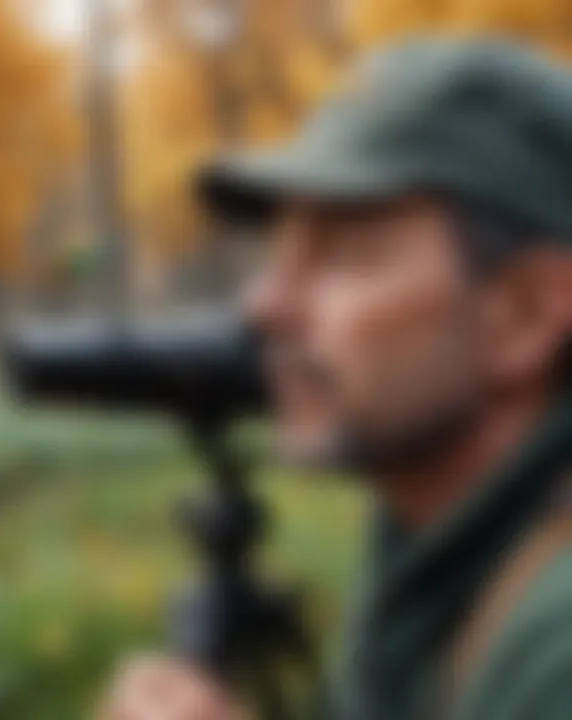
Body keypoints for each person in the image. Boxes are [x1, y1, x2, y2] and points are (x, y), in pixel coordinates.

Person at [98, 38, 572, 720]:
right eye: (278, 251)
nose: (263, 304)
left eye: (344, 253)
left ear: (527, 316)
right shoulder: (438, 550)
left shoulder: (556, 645)